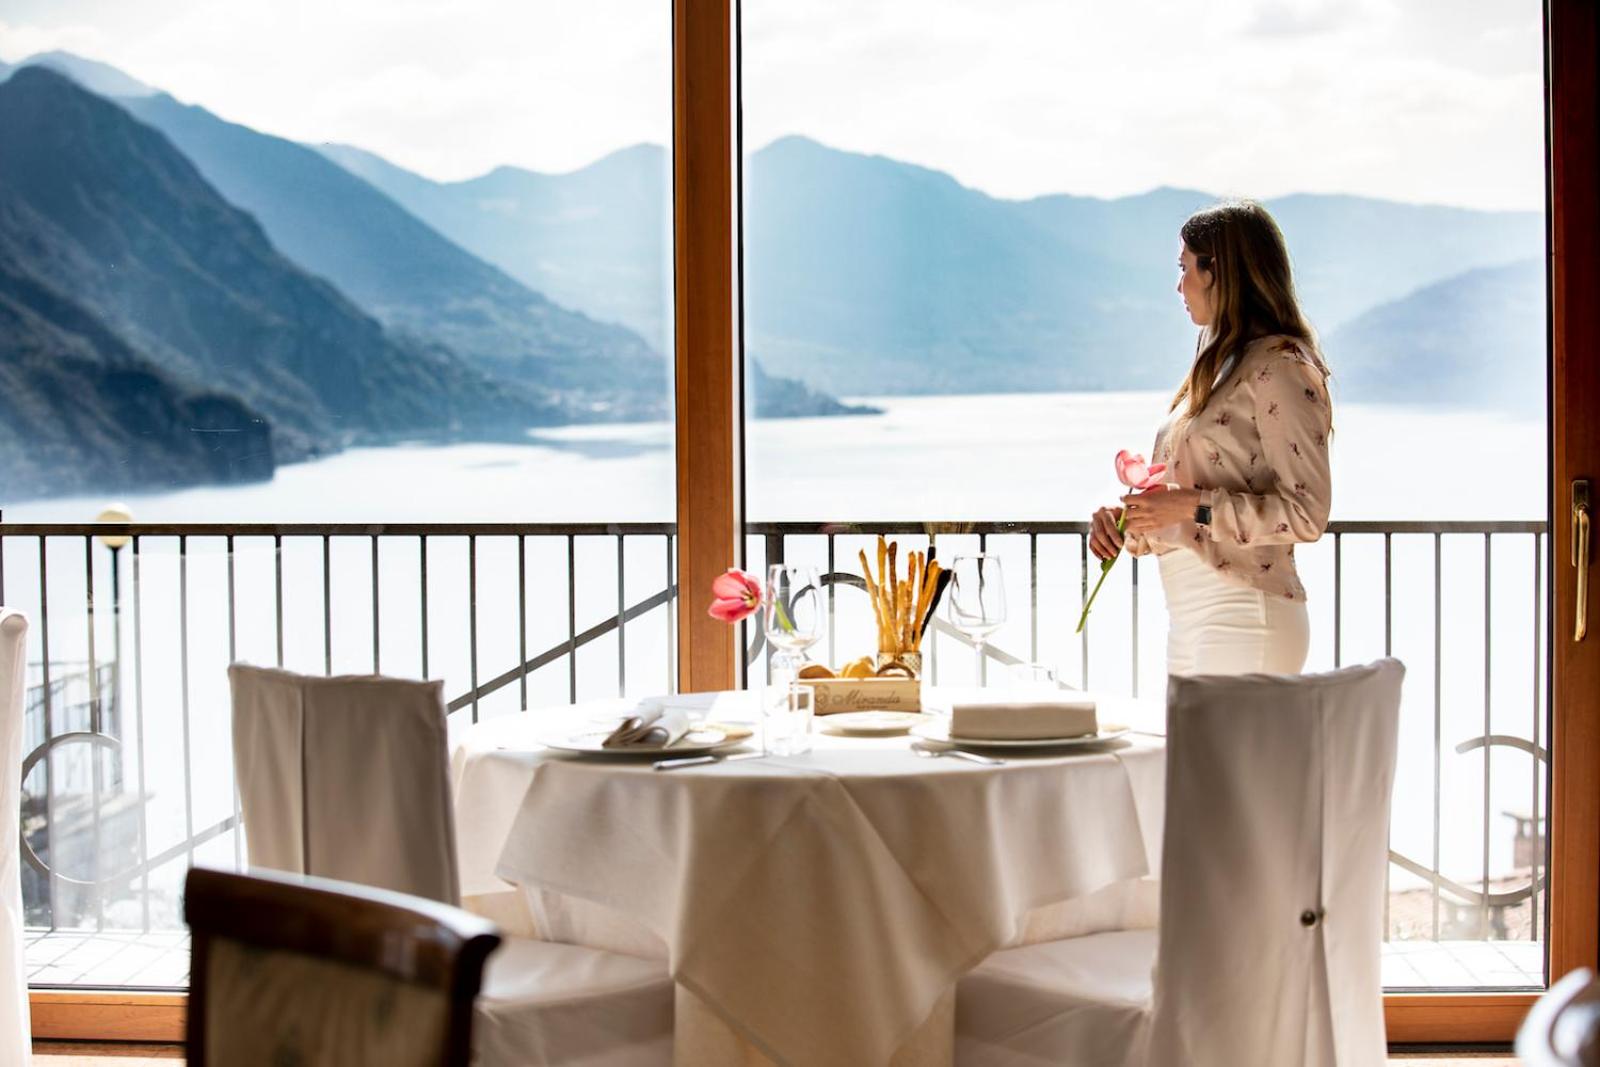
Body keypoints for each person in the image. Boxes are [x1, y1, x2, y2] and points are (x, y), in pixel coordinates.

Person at [1090, 200, 1332, 676]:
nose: (1178, 285)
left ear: (1219, 271)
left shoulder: (1281, 365)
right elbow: (1189, 507)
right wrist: (1128, 525)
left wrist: (1187, 505)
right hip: (1191, 615)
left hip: (1246, 616)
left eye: (1184, 268)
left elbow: (1306, 515)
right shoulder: (1219, 365)